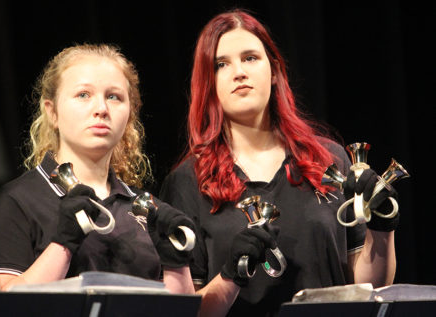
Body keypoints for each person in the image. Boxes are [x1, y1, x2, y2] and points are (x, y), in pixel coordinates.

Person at [159, 9, 398, 316]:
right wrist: (231, 273)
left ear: (273, 71)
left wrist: (382, 228)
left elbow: (370, 288)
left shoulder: (329, 160)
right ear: (209, 82)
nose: (239, 72)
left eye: (250, 58)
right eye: (221, 64)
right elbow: (185, 311)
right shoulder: (187, 182)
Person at [0, 43, 195, 294]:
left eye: (114, 96)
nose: (101, 109)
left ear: (130, 114)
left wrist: (176, 261)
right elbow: (4, 305)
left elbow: (179, 311)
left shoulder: (146, 208)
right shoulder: (15, 202)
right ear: (51, 112)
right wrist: (63, 244)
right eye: (83, 95)